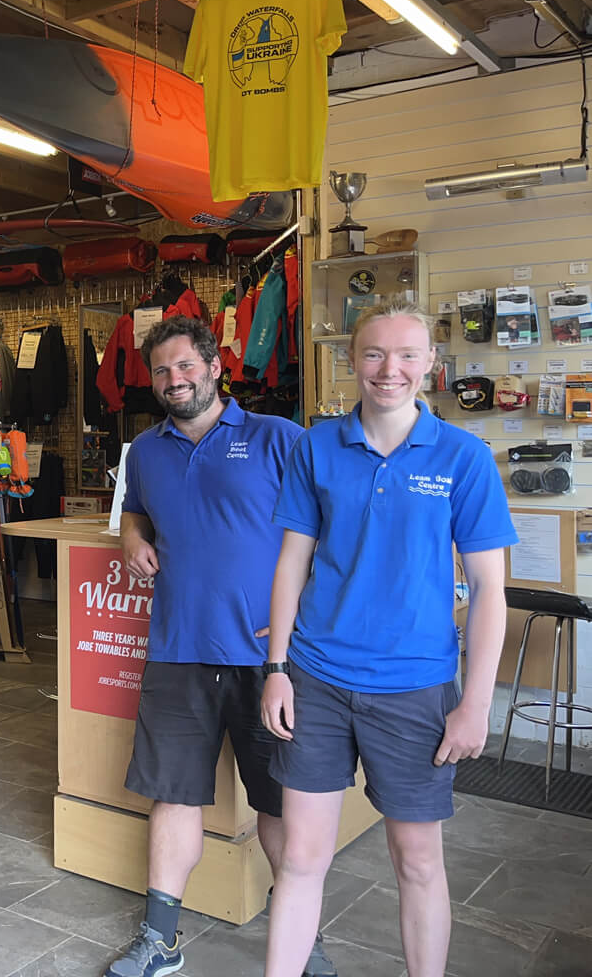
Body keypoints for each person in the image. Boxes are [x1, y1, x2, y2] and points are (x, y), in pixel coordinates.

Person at [261, 303, 516, 977]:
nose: (389, 369)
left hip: (416, 690)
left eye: (407, 355)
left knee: (419, 861)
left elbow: (491, 591)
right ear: (352, 361)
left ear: (431, 365)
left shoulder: (465, 458)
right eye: (374, 354)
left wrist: (476, 704)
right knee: (301, 858)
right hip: (315, 679)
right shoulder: (315, 447)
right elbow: (291, 562)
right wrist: (277, 667)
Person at [108, 316, 336, 977]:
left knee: (279, 804)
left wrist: (302, 631)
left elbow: (331, 534)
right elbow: (135, 506)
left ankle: (305, 940)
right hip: (179, 650)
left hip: (272, 663)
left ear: (214, 366)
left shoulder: (280, 439)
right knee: (172, 797)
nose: (174, 380)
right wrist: (129, 533)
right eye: (161, 371)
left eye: (185, 366)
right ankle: (159, 941)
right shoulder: (143, 452)